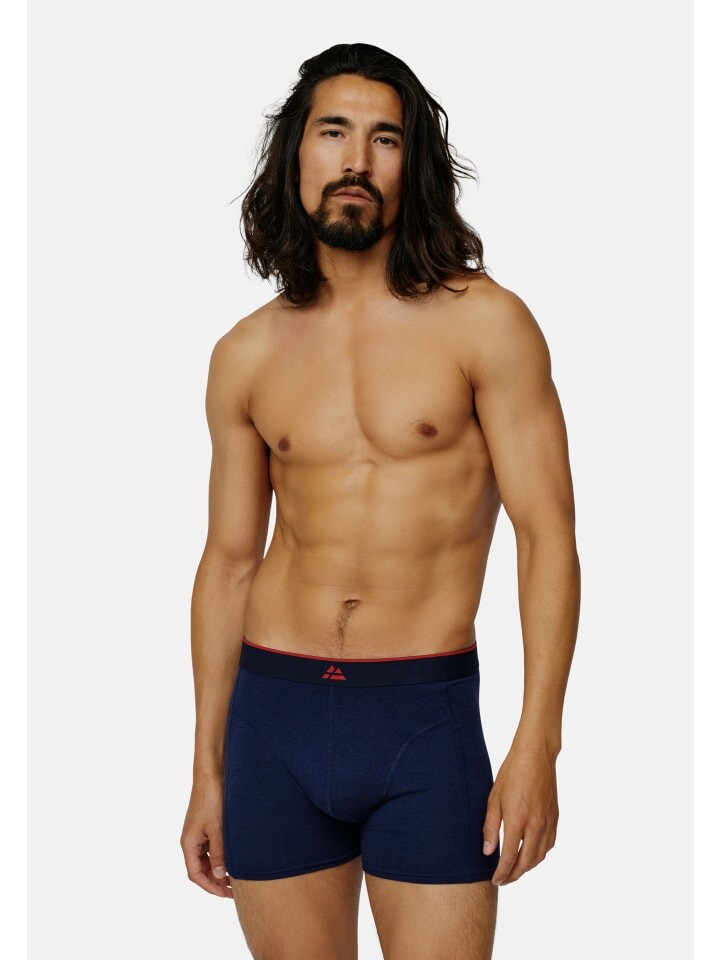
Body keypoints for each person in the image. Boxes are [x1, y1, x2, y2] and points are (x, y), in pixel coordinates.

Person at [180, 42, 580, 960]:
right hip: (273, 719)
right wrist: (207, 767)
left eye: (385, 139)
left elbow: (547, 536)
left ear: (413, 165)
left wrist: (539, 743)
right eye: (334, 132)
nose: (356, 159)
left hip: (422, 719)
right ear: (296, 156)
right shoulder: (246, 352)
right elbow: (229, 561)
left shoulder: (486, 323)